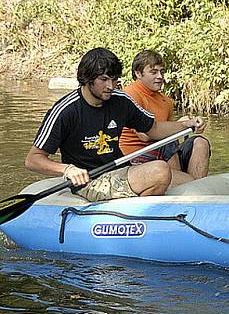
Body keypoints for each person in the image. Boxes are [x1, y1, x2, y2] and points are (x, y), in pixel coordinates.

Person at [25, 48, 206, 202]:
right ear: (87, 79)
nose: (111, 86)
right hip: (88, 181)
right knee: (159, 170)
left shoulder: (120, 101)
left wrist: (187, 125)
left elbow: (155, 129)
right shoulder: (66, 110)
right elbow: (33, 160)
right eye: (104, 80)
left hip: (120, 171)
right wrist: (68, 169)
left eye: (114, 79)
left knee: (173, 174)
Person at [119, 49, 211, 187]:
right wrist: (181, 125)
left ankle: (192, 188)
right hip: (136, 158)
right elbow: (145, 135)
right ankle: (190, 185)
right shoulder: (130, 95)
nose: (160, 76)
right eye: (154, 72)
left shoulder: (166, 101)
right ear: (138, 73)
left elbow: (169, 133)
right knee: (168, 142)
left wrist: (189, 125)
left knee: (200, 143)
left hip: (162, 154)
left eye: (162, 71)